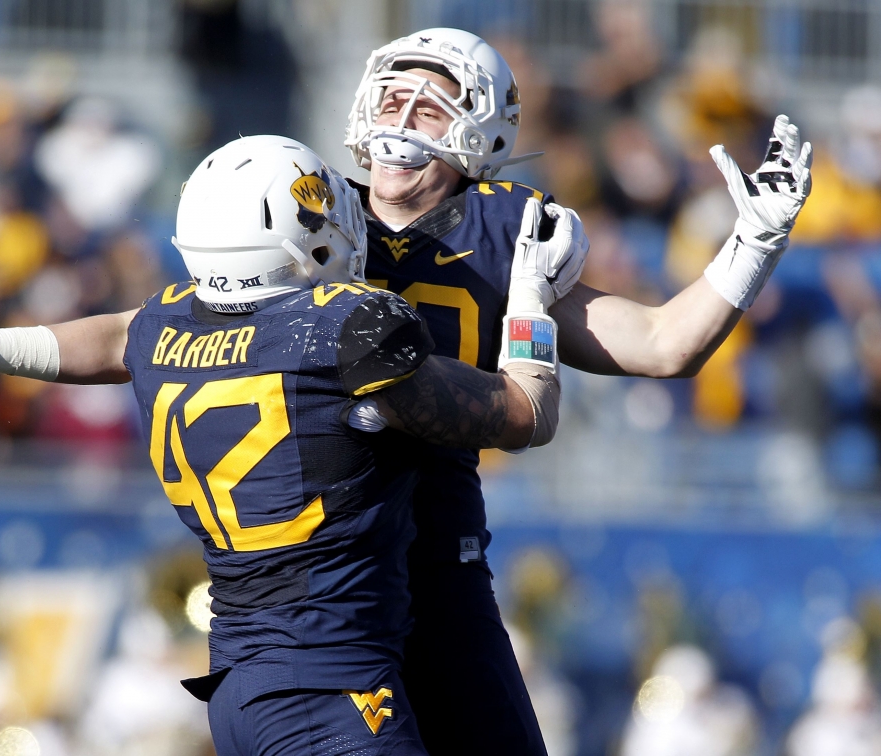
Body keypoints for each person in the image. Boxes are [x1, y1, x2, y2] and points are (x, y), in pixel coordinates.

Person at [0, 135, 579, 755]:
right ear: (297, 243)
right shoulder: (345, 331)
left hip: (241, 686)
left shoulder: (167, 330)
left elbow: (115, 336)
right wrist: (530, 296)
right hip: (331, 685)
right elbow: (526, 412)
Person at [343, 27, 812, 755]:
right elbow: (144, 334)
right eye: (392, 98)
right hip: (322, 571)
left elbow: (662, 345)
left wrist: (752, 244)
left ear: (480, 131)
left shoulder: (507, 238)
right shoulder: (305, 220)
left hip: (439, 564)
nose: (400, 122)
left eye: (429, 108)